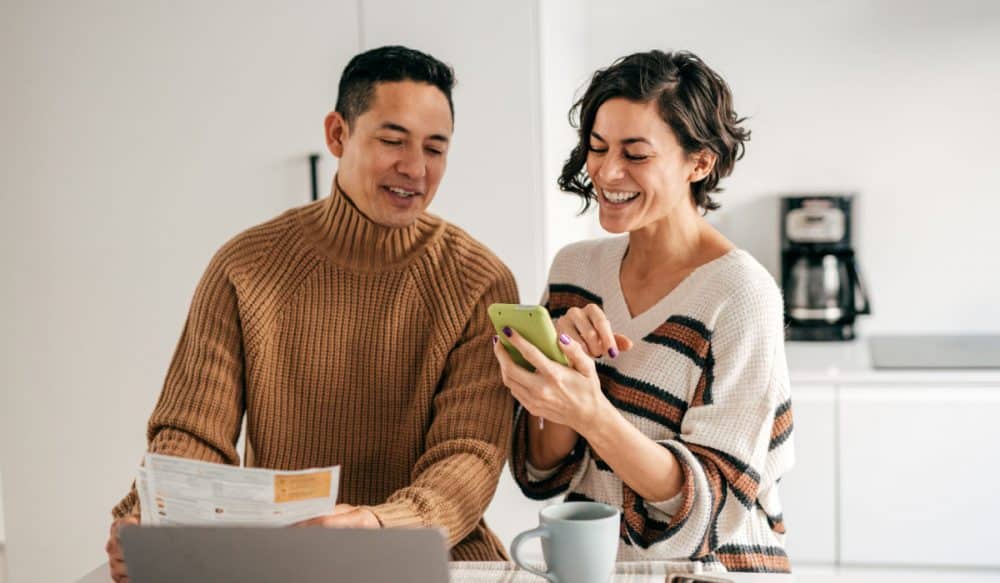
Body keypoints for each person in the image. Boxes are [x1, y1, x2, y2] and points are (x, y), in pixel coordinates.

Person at [106, 45, 519, 582]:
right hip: (285, 563)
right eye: (392, 140)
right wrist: (149, 518)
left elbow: (469, 458)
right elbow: (193, 435)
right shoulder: (245, 267)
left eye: (435, 149)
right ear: (337, 135)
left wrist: (378, 525)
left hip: (434, 561)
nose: (415, 168)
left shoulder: (479, 281)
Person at [496, 50, 794, 573]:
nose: (607, 171)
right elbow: (539, 472)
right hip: (595, 568)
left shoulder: (742, 294)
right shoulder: (576, 270)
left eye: (635, 154)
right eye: (597, 147)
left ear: (699, 162)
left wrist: (593, 413)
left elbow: (709, 509)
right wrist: (560, 373)